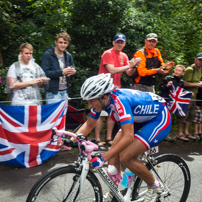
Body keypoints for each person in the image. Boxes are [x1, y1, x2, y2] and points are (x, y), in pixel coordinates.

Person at [60, 73, 172, 202]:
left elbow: (128, 137)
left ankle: (155, 186)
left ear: (104, 97)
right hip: (138, 120)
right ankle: (115, 194)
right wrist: (71, 140)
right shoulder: (102, 102)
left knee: (126, 156)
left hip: (158, 119)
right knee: (114, 153)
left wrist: (103, 157)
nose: (89, 105)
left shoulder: (120, 101)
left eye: (91, 101)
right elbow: (89, 124)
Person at [95, 33, 141, 149]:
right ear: (113, 42)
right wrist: (129, 66)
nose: (119, 44)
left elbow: (129, 73)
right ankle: (97, 139)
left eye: (122, 42)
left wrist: (134, 65)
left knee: (112, 115)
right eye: (117, 42)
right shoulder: (108, 53)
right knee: (101, 114)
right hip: (103, 87)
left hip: (116, 88)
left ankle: (109, 138)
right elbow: (112, 70)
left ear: (124, 44)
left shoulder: (124, 56)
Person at [41, 32, 76, 104]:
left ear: (68, 43)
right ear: (56, 42)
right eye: (60, 42)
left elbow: (74, 70)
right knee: (53, 115)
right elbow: (45, 73)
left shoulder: (68, 55)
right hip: (52, 93)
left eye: (65, 43)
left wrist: (73, 71)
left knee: (63, 115)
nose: (63, 45)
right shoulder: (48, 54)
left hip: (65, 91)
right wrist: (62, 72)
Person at [177, 53, 202, 141]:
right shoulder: (190, 69)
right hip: (186, 95)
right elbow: (184, 83)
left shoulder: (200, 70)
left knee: (191, 115)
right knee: (183, 114)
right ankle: (180, 133)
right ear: (195, 59)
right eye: (199, 59)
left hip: (195, 95)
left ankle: (186, 133)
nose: (200, 62)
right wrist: (198, 85)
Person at [159, 65, 186, 142]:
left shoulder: (181, 81)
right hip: (165, 101)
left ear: (182, 73)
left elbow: (181, 92)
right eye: (176, 69)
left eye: (179, 70)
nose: (176, 71)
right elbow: (160, 88)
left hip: (173, 103)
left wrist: (188, 93)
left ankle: (166, 135)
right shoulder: (168, 78)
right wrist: (167, 85)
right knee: (163, 118)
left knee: (169, 119)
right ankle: (160, 135)